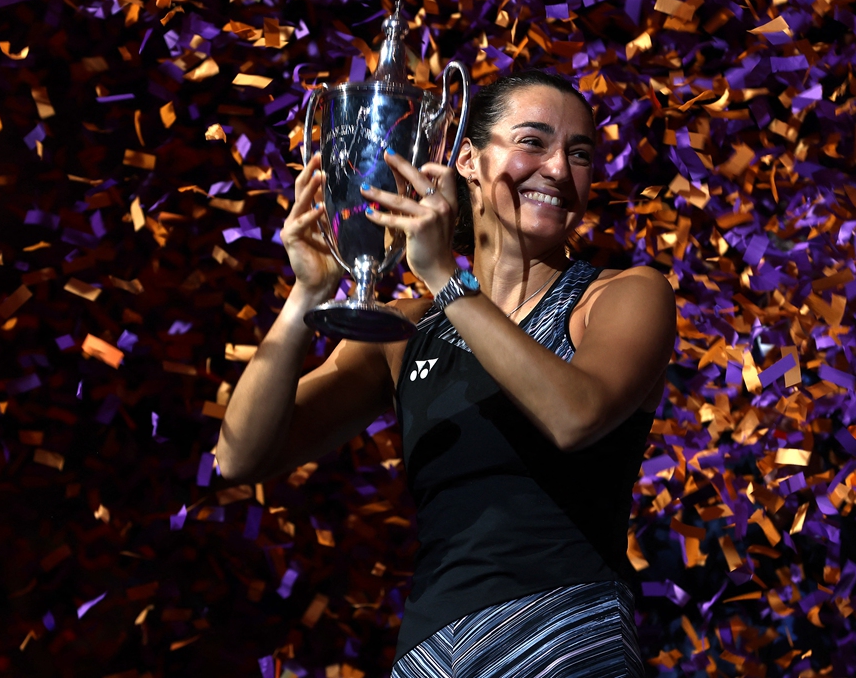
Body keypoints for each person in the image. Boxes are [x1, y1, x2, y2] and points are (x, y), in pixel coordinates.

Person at [218, 70, 676, 677]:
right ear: (467, 159)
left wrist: (445, 278)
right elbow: (242, 456)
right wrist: (307, 296)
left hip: (568, 646)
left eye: (580, 153)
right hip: (434, 657)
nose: (560, 171)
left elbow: (574, 416)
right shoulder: (407, 331)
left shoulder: (623, 295)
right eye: (533, 142)